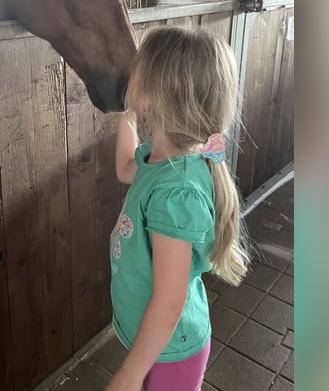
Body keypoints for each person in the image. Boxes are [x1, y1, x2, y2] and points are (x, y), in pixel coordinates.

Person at [107, 27, 250, 391]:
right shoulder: (162, 159)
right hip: (154, 341)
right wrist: (127, 117)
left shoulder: (176, 193)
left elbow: (170, 303)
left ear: (153, 99)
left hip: (172, 349)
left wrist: (129, 375)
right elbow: (125, 167)